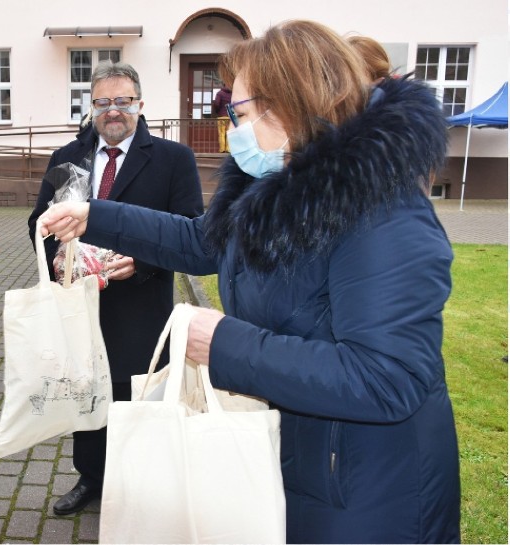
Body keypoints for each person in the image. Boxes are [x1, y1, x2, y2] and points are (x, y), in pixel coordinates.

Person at [40, 20, 460, 543]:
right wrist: (94, 215)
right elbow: (200, 241)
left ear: (286, 105)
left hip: (366, 493)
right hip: (301, 462)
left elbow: (386, 378)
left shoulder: (383, 209)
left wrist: (225, 344)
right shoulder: (277, 183)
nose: (230, 129)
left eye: (237, 114)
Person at [27, 61, 204, 516]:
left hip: (141, 303)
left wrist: (139, 261)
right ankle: (91, 479)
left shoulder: (172, 159)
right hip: (81, 303)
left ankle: (139, 485)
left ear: (140, 105)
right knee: (88, 395)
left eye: (123, 101)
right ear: (91, 108)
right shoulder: (67, 156)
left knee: (135, 396)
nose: (113, 111)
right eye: (103, 103)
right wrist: (61, 256)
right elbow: (38, 222)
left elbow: (189, 232)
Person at [212, 82, 232, 152]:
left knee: (221, 133)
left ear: (223, 85)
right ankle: (228, 149)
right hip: (230, 117)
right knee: (229, 133)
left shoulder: (220, 93)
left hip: (222, 116)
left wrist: (217, 111)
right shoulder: (232, 94)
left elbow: (217, 104)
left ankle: (222, 149)